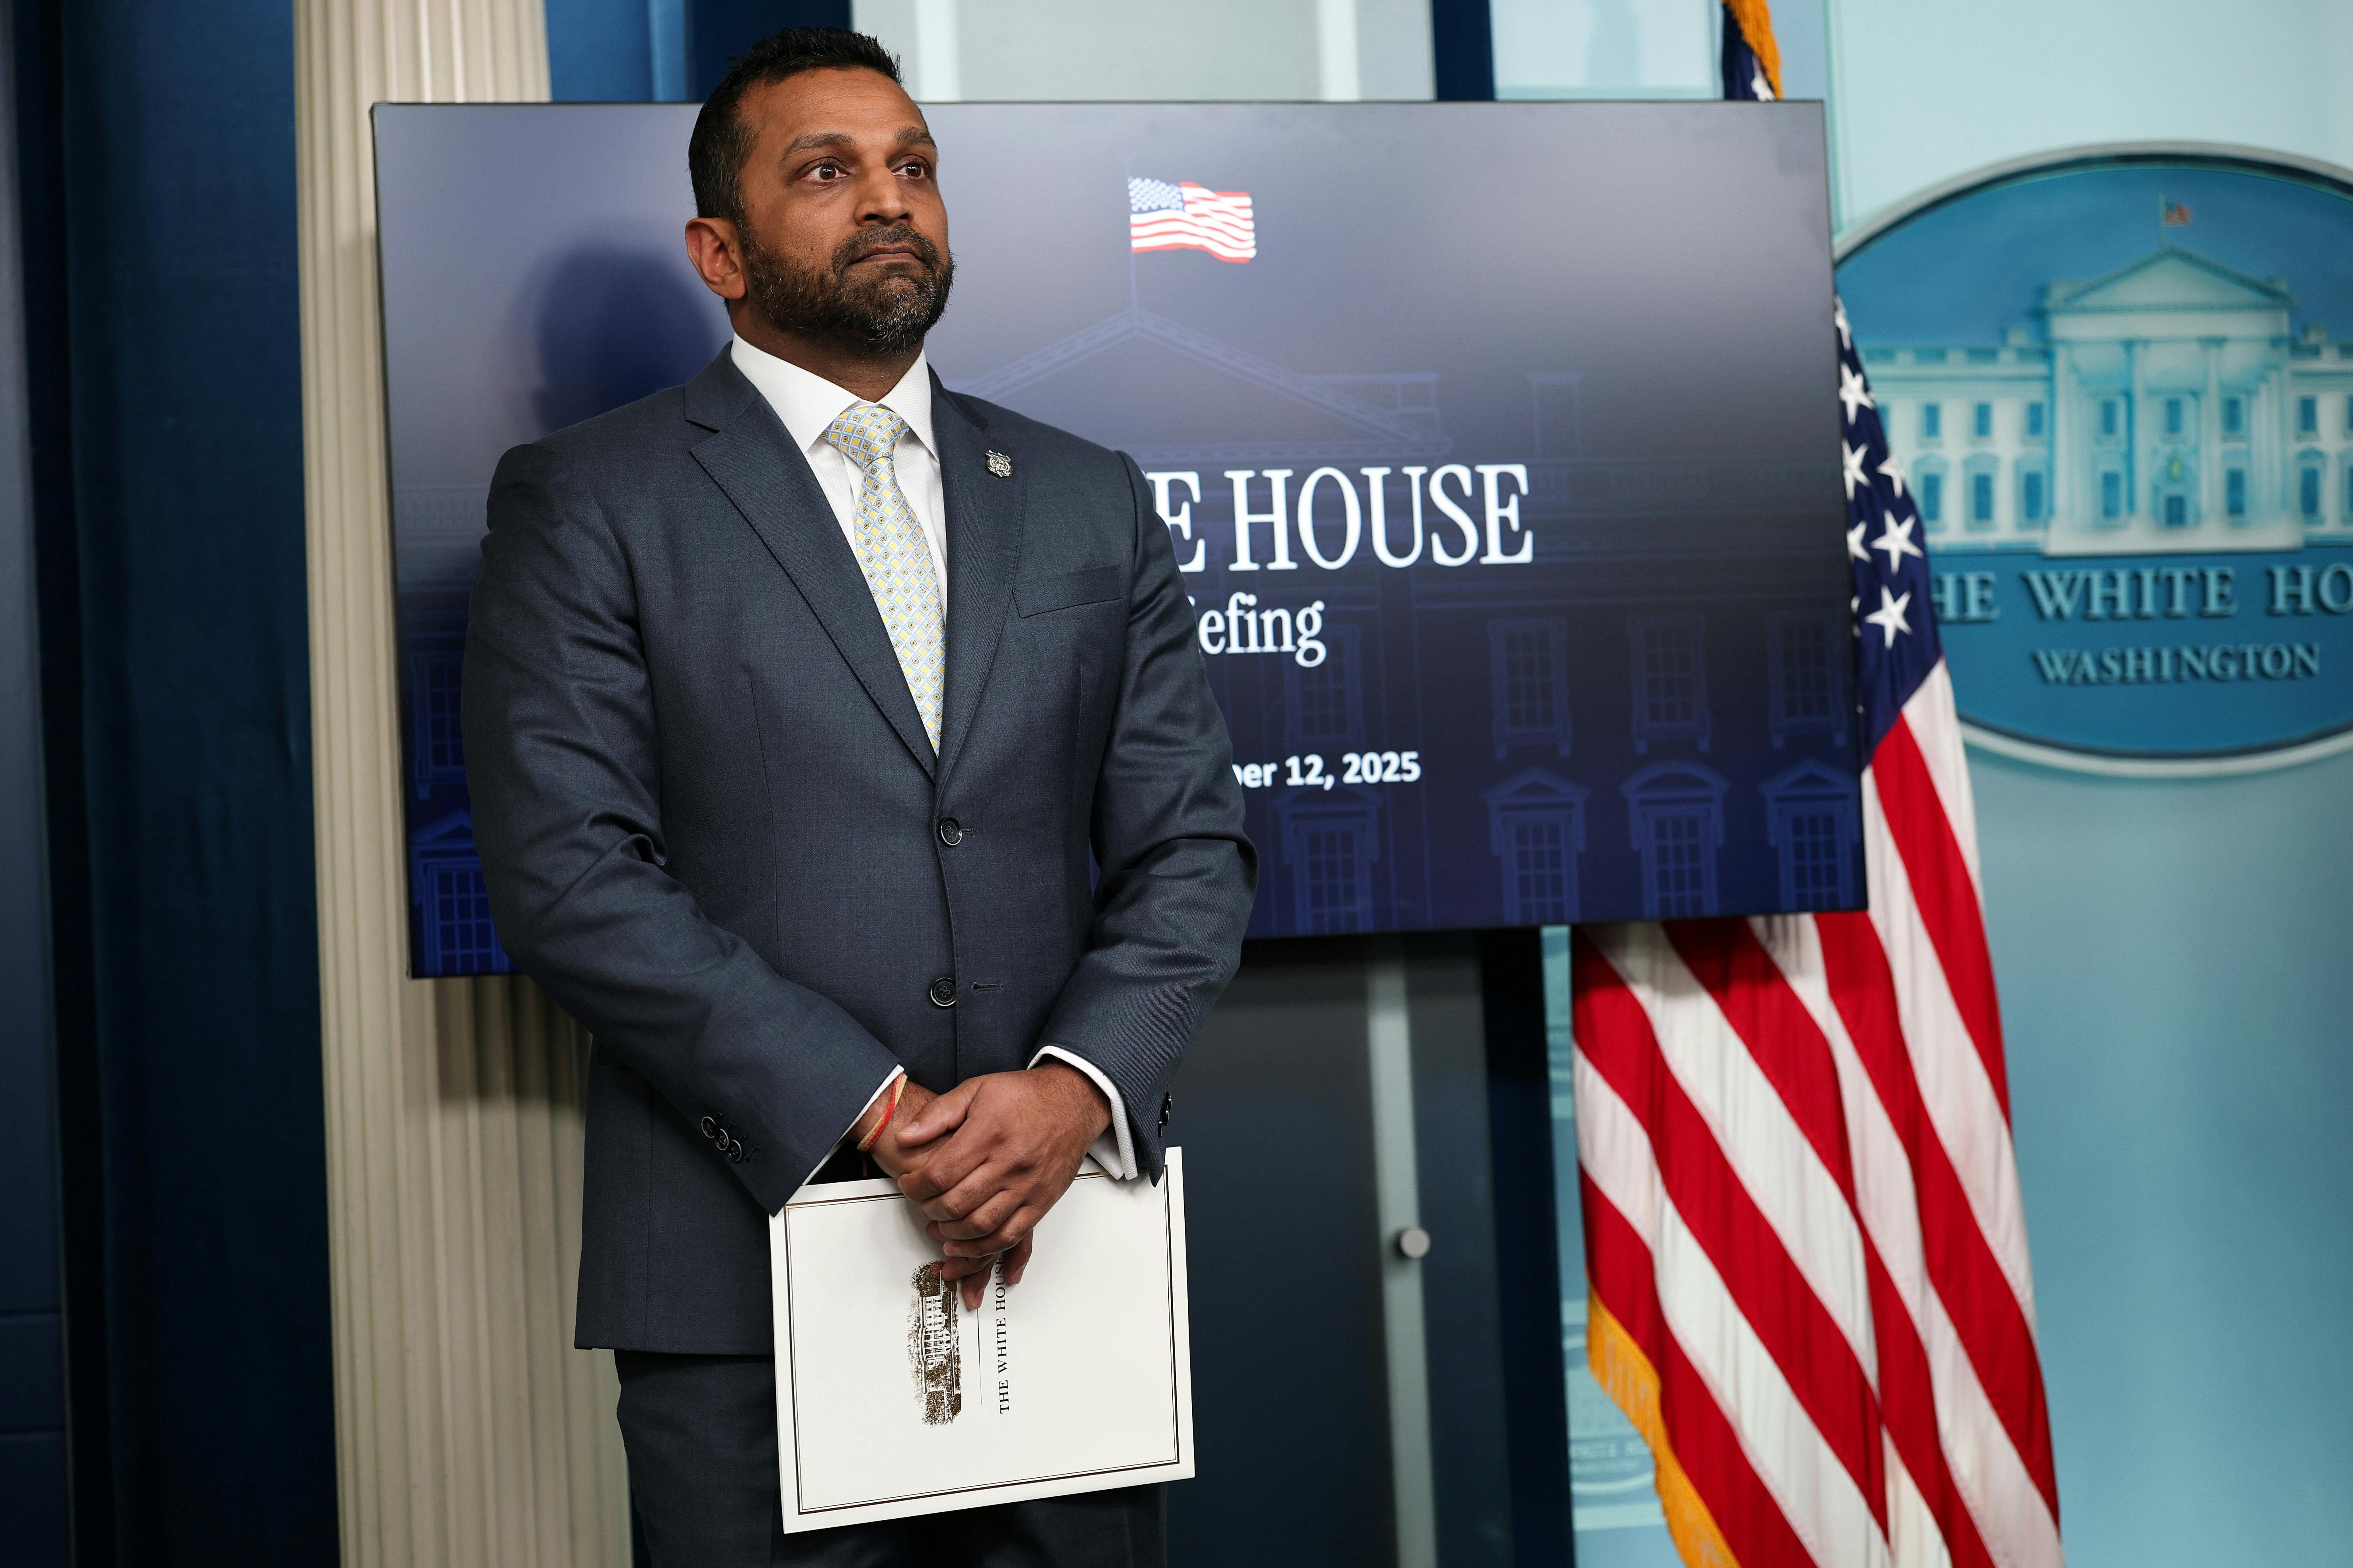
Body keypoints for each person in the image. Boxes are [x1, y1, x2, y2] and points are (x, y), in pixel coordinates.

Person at [461, 26, 1256, 1568]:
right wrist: (882, 1113)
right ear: (719, 249)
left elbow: (1189, 843)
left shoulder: (1087, 491)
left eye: (910, 167)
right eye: (823, 172)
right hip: (739, 1266)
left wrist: (1068, 1090)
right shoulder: (588, 499)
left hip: (1061, 1256)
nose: (885, 200)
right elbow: (569, 872)